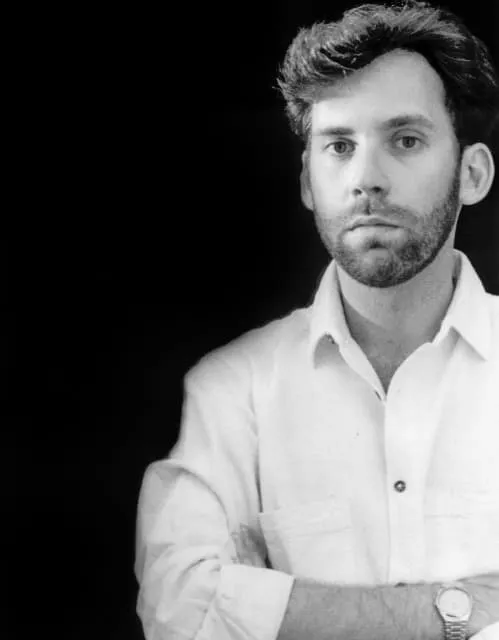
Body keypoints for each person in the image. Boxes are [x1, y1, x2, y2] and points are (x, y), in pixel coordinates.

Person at [134, 1, 499, 638]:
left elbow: (219, 612)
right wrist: (460, 609)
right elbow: (178, 607)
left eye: (405, 140)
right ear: (307, 180)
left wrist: (267, 607)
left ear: (472, 173)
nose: (366, 178)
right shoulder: (232, 390)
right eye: (339, 146)